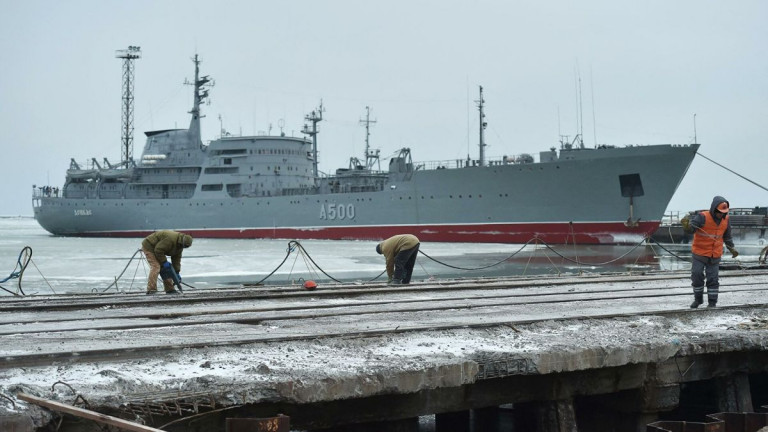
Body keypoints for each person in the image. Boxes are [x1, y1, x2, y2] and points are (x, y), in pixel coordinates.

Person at [681, 196, 738, 308]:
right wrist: (686, 226)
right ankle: (698, 300)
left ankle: (712, 303)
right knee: (696, 275)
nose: (721, 215)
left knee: (713, 279)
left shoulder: (726, 220)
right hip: (699, 254)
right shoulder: (702, 217)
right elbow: (691, 229)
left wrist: (732, 248)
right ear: (714, 209)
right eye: (719, 212)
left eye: (723, 213)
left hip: (714, 255)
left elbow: (727, 236)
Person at [141, 230, 193, 295]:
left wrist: (176, 272)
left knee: (166, 269)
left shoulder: (180, 246)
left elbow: (176, 259)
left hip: (159, 249)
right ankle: (151, 290)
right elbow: (158, 250)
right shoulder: (170, 240)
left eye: (185, 247)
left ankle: (170, 290)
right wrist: (164, 262)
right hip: (149, 246)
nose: (184, 247)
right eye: (184, 246)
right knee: (156, 266)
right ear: (182, 242)